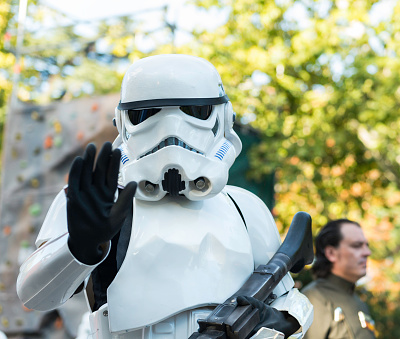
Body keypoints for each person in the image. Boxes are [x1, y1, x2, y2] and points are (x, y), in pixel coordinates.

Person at [16, 54, 313, 339]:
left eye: (193, 112)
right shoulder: (100, 203)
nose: (172, 130)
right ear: (123, 123)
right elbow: (35, 295)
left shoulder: (244, 207)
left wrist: (278, 322)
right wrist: (78, 249)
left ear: (222, 117)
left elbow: (288, 298)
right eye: (146, 114)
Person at [302, 219, 375, 339]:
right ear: (331, 253)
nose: (367, 252)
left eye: (366, 246)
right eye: (357, 246)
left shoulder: (358, 301)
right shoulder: (315, 298)